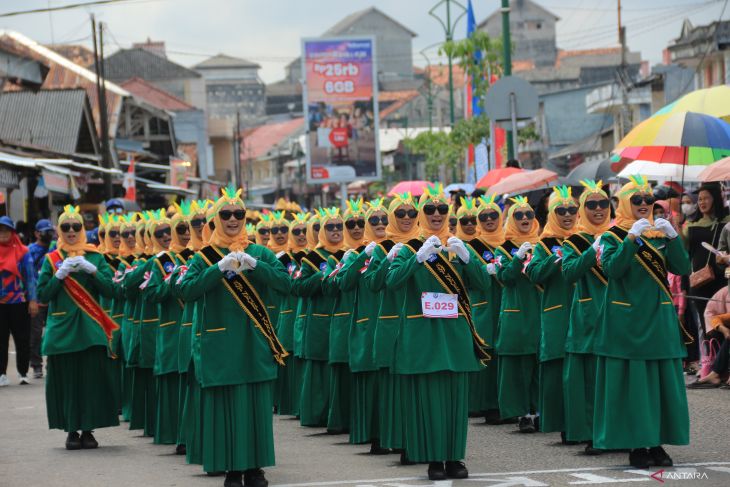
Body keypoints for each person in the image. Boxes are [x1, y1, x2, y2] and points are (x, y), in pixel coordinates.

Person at [178, 187, 290, 487]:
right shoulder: (204, 257)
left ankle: (255, 467)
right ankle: (230, 468)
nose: (232, 219)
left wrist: (257, 266)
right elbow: (186, 291)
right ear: (216, 218)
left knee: (256, 407)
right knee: (224, 408)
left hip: (255, 342)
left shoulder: (260, 252)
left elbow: (285, 283)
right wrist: (217, 269)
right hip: (220, 344)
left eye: (238, 214)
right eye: (225, 214)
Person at [386, 183, 490, 481]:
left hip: (454, 333)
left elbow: (483, 284)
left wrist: (469, 259)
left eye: (442, 209)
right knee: (429, 401)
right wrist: (417, 259)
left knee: (456, 403)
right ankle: (434, 459)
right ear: (422, 214)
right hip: (424, 335)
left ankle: (455, 457)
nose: (436, 214)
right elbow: (391, 283)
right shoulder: (408, 248)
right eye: (429, 210)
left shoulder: (458, 247)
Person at [594, 174, 690, 468]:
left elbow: (683, 267)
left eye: (649, 200)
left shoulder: (660, 234)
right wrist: (631, 239)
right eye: (637, 200)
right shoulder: (611, 237)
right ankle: (637, 444)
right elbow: (612, 269)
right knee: (635, 386)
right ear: (625, 204)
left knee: (661, 384)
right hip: (629, 322)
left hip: (659, 319)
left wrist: (673, 237)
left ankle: (657, 442)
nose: (645, 205)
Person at [36, 205, 119, 449]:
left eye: (76, 227)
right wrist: (59, 275)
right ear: (59, 231)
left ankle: (88, 430)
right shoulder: (51, 260)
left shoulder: (95, 257)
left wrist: (92, 271)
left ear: (83, 229)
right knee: (68, 382)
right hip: (63, 330)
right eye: (66, 227)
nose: (71, 231)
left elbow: (111, 290)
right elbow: (42, 294)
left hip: (91, 329)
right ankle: (71, 430)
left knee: (90, 382)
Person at [363, 192, 420, 465]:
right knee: (394, 389)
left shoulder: (426, 244)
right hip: (390, 324)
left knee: (417, 387)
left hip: (420, 323)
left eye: (411, 214)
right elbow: (372, 284)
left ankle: (419, 441)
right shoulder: (382, 247)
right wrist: (386, 259)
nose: (407, 219)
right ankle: (399, 441)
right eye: (400, 214)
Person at [334, 198, 389, 453]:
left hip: (392, 324)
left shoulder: (399, 249)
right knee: (372, 384)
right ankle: (375, 435)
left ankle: (395, 434)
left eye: (384, 219)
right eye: (374, 221)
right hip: (367, 326)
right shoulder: (357, 254)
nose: (380, 224)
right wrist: (359, 259)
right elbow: (342, 284)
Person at [561, 180, 612, 454]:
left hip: (618, 314)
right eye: (591, 205)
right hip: (589, 315)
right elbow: (569, 272)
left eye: (603, 203)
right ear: (583, 209)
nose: (598, 209)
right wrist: (593, 251)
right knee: (592, 380)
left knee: (616, 378)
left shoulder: (621, 235)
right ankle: (595, 434)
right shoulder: (574, 240)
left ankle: (619, 432)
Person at [526, 186, 578, 442]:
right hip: (556, 312)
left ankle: (584, 426)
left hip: (583, 311)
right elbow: (534, 274)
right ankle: (564, 425)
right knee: (559, 373)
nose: (567, 214)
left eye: (572, 210)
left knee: (582, 372)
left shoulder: (585, 238)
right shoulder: (544, 243)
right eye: (561, 210)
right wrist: (555, 260)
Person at [293, 208, 345, 429]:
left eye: (339, 227)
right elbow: (299, 287)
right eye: (330, 227)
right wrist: (322, 275)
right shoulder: (312, 258)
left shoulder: (349, 253)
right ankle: (315, 415)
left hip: (341, 316)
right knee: (319, 370)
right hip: (320, 319)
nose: (335, 231)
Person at [493, 197, 542, 433]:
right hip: (517, 312)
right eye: (518, 216)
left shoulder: (543, 244)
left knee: (539, 365)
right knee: (520, 367)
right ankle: (522, 414)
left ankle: (539, 410)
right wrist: (517, 258)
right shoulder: (502, 248)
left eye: (529, 215)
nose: (524, 219)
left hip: (540, 310)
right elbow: (504, 277)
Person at [324, 199, 366, 434]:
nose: (357, 228)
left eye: (362, 223)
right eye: (351, 224)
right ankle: (342, 420)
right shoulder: (335, 257)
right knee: (343, 373)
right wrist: (349, 261)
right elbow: (330, 286)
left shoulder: (379, 251)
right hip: (345, 317)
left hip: (367, 319)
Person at [465, 195, 505, 424]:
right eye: (484, 217)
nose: (489, 220)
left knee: (504, 354)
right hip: (483, 304)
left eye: (493, 216)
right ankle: (488, 405)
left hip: (505, 303)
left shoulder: (507, 242)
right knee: (486, 352)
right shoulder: (471, 247)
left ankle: (504, 403)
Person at [683, 183, 729, 362]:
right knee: (706, 324)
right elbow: (683, 249)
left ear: (716, 199)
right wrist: (676, 228)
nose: (701, 202)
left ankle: (722, 365)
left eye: (706, 198)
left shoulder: (726, 223)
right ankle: (711, 364)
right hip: (699, 283)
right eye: (699, 199)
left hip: (722, 281)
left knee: (723, 321)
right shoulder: (691, 225)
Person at [0, 216, 38, 387]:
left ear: (12, 232)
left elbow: (30, 278)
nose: (3, 233)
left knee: (22, 339)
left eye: (6, 230)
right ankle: (1, 374)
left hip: (19, 301)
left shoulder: (23, 251)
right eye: (0, 230)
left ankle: (23, 372)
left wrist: (33, 300)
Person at [687, 285, 730, 388]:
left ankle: (715, 373)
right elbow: (714, 317)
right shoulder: (725, 291)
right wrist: (723, 329)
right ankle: (715, 374)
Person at [29, 218, 55, 379]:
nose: (48, 235)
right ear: (37, 234)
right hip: (37, 300)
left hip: (53, 297)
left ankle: (52, 363)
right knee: (36, 333)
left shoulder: (55, 248)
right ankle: (36, 364)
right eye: (45, 232)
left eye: (50, 231)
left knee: (53, 331)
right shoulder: (30, 250)